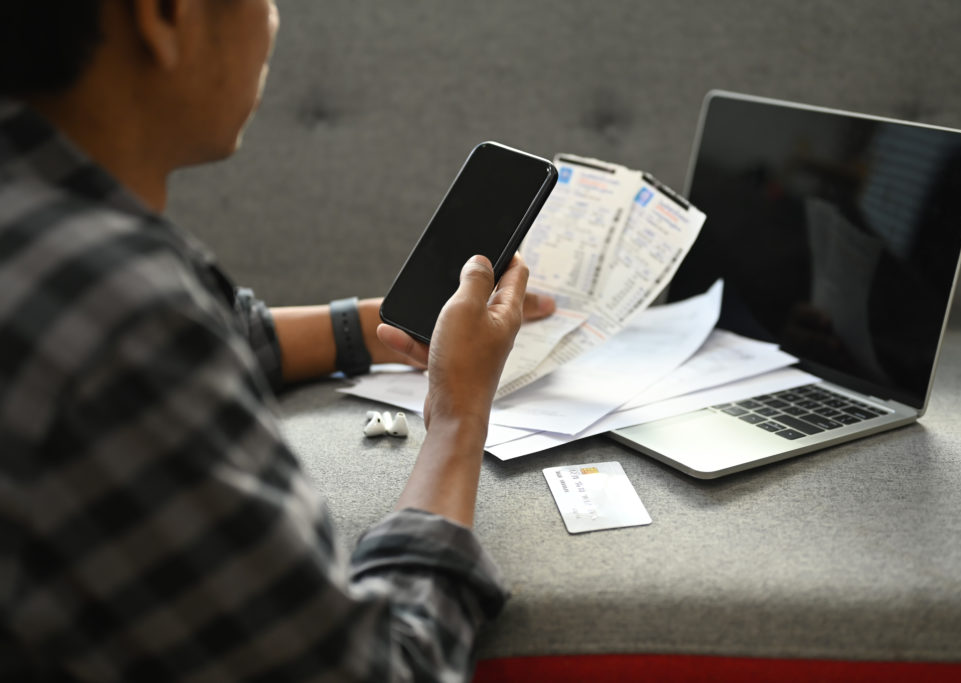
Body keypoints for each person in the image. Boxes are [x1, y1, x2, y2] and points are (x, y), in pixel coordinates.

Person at [0, 1, 554, 680]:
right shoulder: (120, 323)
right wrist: (459, 411)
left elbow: (222, 331)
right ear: (162, 17)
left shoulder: (45, 231)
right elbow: (378, 669)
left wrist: (375, 326)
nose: (273, 20)